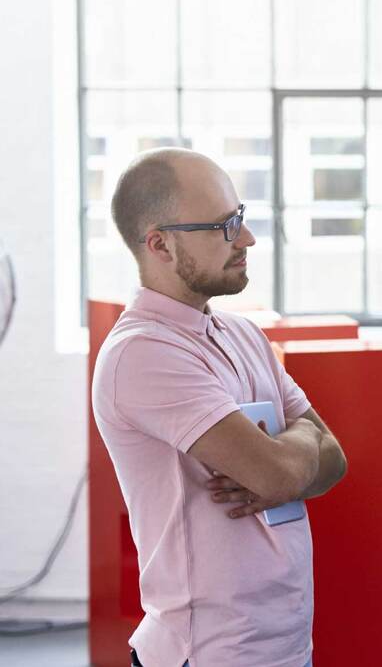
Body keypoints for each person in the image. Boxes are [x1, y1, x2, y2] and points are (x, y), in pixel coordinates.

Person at [91, 148, 347, 667]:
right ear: (159, 244)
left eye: (241, 219)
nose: (247, 239)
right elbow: (277, 474)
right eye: (222, 226)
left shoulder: (244, 335)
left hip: (283, 644)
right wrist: (294, 451)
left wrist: (288, 458)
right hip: (207, 653)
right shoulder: (142, 352)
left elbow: (335, 460)